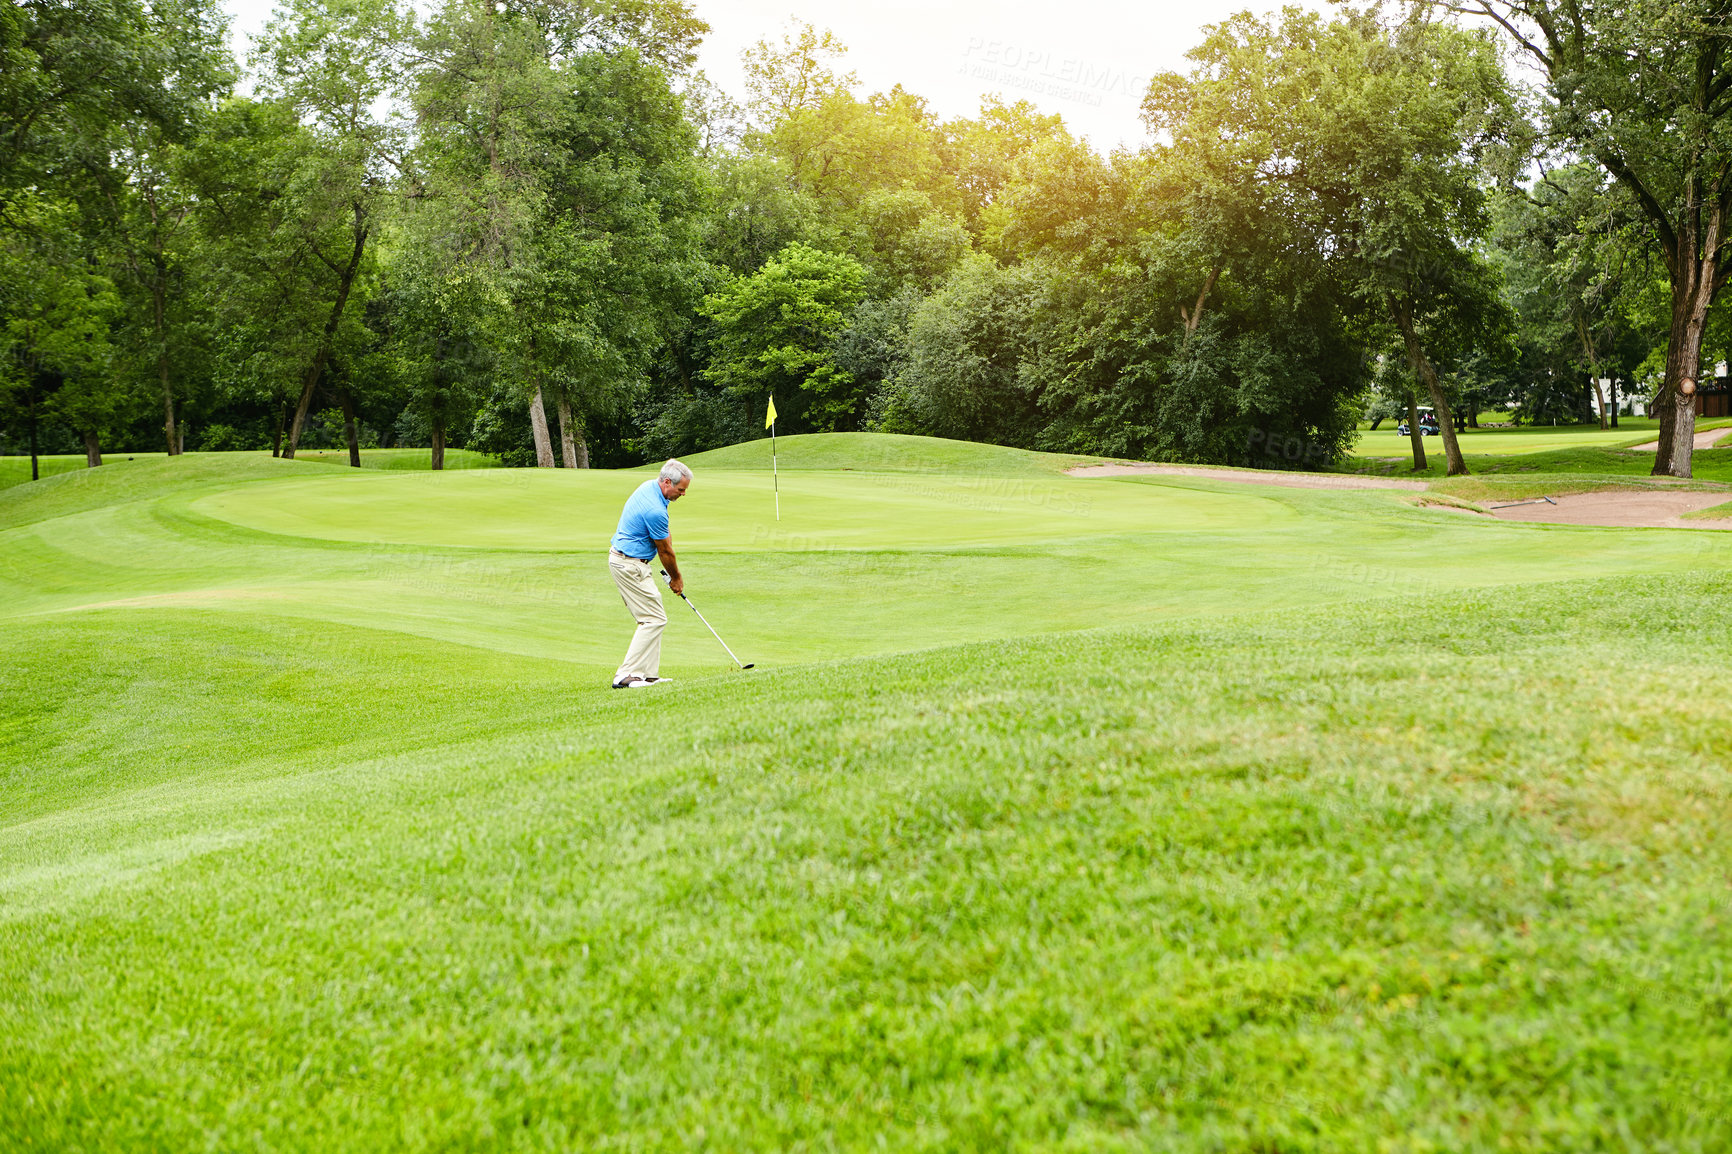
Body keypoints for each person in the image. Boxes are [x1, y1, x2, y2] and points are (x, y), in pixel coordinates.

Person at [607, 459, 690, 688]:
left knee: (655, 616)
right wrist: (676, 578)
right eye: (680, 489)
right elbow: (665, 551)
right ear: (666, 482)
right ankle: (626, 675)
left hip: (631, 562)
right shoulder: (655, 509)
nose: (683, 494)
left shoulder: (649, 488)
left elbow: (664, 536)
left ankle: (648, 675)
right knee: (652, 619)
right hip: (629, 565)